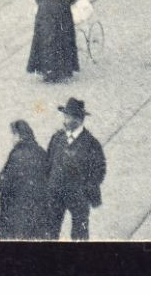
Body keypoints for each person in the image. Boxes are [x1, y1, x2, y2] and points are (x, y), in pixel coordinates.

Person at [45, 98, 107, 242]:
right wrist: (49, 184)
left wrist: (88, 187)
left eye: (68, 117)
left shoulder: (91, 143)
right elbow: (48, 163)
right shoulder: (57, 138)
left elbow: (100, 169)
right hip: (56, 194)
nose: (65, 120)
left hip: (79, 196)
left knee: (80, 233)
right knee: (50, 231)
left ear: (79, 119)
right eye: (65, 116)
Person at [27, 0, 81, 83]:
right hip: (62, 9)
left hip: (46, 9)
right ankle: (63, 70)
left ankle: (48, 71)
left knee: (47, 39)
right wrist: (69, 3)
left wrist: (42, 3)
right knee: (63, 39)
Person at [0, 120, 50, 240]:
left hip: (16, 214)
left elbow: (4, 183)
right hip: (38, 213)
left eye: (13, 135)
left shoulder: (17, 154)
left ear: (19, 136)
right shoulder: (42, 152)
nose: (12, 139)